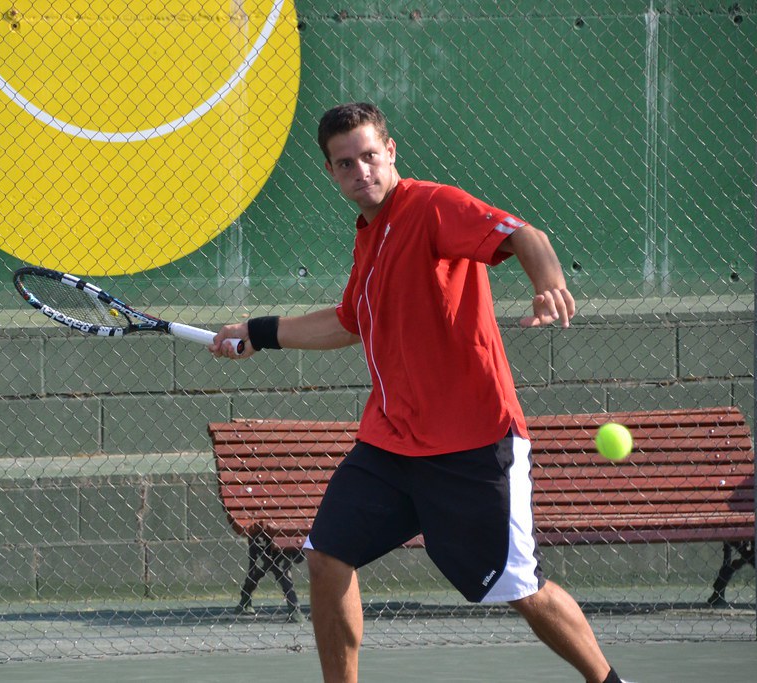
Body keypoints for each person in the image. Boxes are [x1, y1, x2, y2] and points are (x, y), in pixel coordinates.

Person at [210, 102, 628, 683]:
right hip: (391, 443)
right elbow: (348, 322)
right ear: (331, 173)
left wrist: (549, 283)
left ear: (390, 152)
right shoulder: (369, 237)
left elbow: (523, 235)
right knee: (327, 557)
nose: (361, 171)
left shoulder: (432, 206)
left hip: (471, 445)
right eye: (345, 163)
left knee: (521, 588)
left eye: (369, 156)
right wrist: (259, 333)